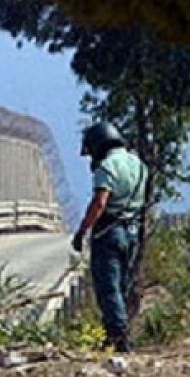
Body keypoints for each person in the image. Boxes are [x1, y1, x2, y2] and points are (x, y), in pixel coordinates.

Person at [71, 121, 147, 353]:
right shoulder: (139, 164)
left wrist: (82, 230)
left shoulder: (107, 167)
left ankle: (118, 336)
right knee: (122, 284)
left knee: (108, 286)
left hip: (109, 232)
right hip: (132, 231)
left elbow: (99, 202)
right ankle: (116, 334)